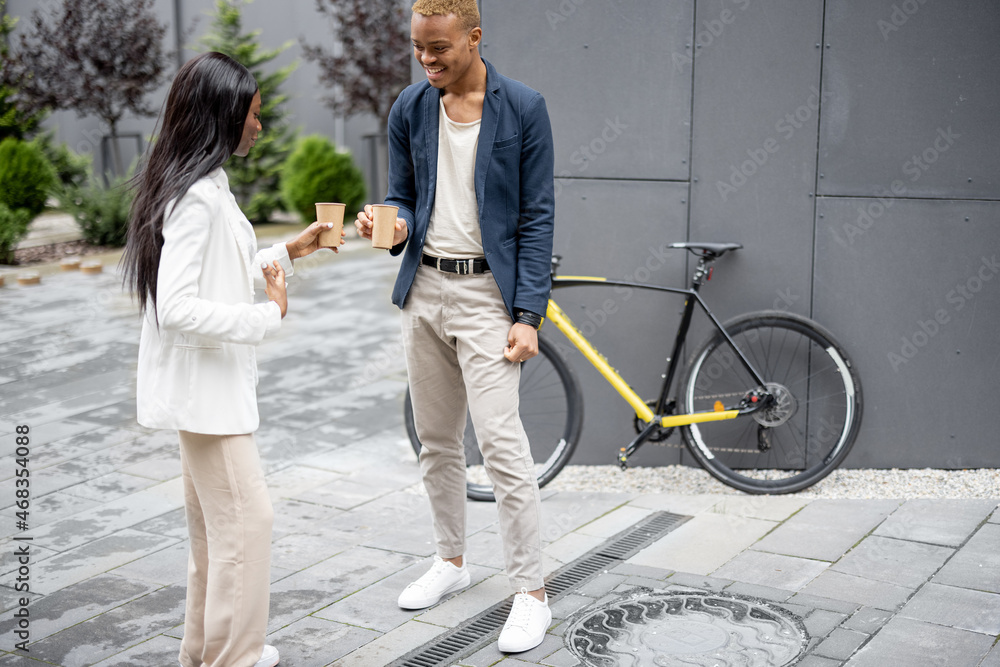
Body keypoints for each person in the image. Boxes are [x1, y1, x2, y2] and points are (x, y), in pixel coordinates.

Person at [121, 51, 343, 667]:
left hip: (206, 398)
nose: (260, 127)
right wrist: (266, 316)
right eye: (253, 114)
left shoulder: (204, 187)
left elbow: (221, 269)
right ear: (224, 116)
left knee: (215, 536)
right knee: (248, 526)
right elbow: (178, 306)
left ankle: (204, 651)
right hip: (210, 400)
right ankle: (234, 657)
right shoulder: (196, 198)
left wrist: (288, 253)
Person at [355, 0, 554, 653]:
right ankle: (452, 560)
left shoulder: (523, 108)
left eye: (438, 46)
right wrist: (392, 220)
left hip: (487, 297)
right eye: (418, 46)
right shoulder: (410, 107)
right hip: (426, 290)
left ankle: (531, 592)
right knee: (436, 440)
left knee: (501, 445)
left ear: (473, 37)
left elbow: (537, 218)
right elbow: (404, 195)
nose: (426, 59)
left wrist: (528, 315)